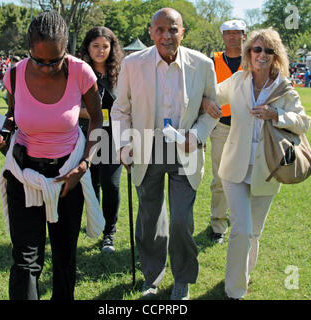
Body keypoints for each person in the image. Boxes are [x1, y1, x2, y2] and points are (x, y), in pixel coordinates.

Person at [0, 10, 103, 300]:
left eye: (56, 60)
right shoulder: (13, 75)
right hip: (24, 177)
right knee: (26, 261)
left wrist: (84, 165)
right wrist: (2, 133)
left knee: (64, 259)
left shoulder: (81, 72)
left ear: (67, 50)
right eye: (39, 61)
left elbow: (97, 122)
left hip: (67, 177)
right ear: (28, 49)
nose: (48, 67)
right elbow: (13, 117)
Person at [111, 8, 219, 300]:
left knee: (181, 220)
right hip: (146, 148)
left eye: (173, 29)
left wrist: (196, 136)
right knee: (150, 218)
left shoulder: (202, 64)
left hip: (186, 149)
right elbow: (120, 108)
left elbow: (213, 110)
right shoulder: (133, 64)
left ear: (182, 32)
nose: (166, 36)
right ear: (150, 32)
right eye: (160, 30)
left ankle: (182, 278)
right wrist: (123, 144)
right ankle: (152, 275)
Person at [202, 28, 311, 299]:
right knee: (241, 229)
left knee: (254, 234)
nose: (262, 55)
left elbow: (304, 122)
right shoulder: (239, 80)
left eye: (268, 51)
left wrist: (277, 115)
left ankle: (243, 276)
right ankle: (234, 290)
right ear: (249, 51)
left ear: (276, 56)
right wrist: (206, 101)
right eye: (257, 49)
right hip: (234, 168)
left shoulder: (284, 88)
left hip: (268, 171)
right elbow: (214, 95)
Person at [78, 26, 124, 253]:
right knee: (91, 182)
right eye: (95, 45)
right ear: (87, 47)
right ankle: (94, 222)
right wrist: (96, 114)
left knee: (111, 184)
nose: (100, 51)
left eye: (105, 46)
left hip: (113, 138)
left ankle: (109, 233)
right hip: (86, 135)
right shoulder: (77, 72)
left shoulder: (121, 72)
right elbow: (72, 108)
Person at [208, 19, 246, 245]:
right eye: (228, 33)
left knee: (245, 177)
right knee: (220, 177)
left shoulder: (253, 59)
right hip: (221, 125)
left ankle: (241, 220)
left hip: (247, 126)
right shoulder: (213, 60)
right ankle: (218, 223)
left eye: (237, 33)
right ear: (222, 36)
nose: (232, 37)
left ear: (244, 35)